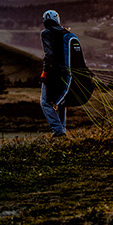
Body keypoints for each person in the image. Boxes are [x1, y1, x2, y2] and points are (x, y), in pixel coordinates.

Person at [40, 9, 69, 138]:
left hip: (54, 73)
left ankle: (58, 131)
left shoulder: (46, 33)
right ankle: (62, 129)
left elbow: (49, 55)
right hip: (67, 73)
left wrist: (45, 72)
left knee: (45, 102)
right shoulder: (66, 33)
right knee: (62, 102)